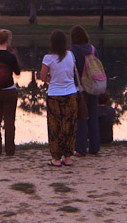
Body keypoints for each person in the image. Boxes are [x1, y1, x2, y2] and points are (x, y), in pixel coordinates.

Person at [41, 29, 78, 167]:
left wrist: (53, 79)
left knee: (55, 128)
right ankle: (67, 157)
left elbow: (43, 77)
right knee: (70, 126)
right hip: (71, 94)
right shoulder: (71, 55)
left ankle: (56, 158)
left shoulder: (48, 58)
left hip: (55, 95)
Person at [69, 25, 101, 156]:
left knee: (81, 118)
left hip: (79, 88)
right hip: (93, 87)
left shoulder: (72, 51)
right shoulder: (93, 49)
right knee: (93, 117)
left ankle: (81, 149)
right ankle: (94, 147)